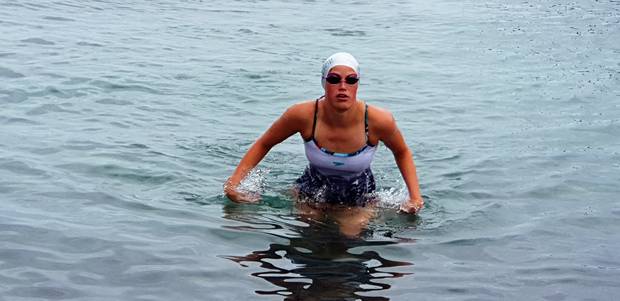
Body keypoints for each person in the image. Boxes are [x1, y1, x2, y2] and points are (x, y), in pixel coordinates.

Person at [224, 52, 424, 216]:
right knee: (309, 233)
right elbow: (264, 143)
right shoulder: (303, 115)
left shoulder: (377, 120)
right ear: (324, 83)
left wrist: (415, 197)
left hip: (359, 191)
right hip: (312, 186)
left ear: (358, 84)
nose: (343, 87)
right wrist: (233, 185)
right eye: (334, 79)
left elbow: (402, 151)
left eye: (351, 80)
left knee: (349, 241)